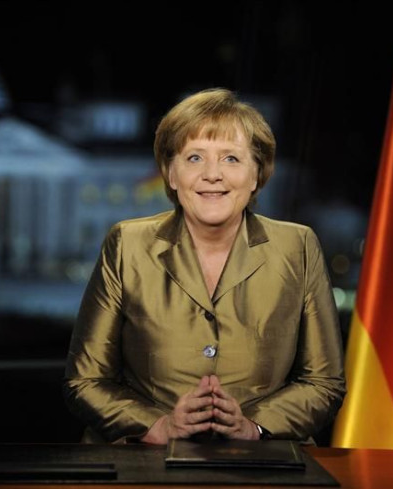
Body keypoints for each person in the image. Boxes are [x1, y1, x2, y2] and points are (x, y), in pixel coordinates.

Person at [63, 87, 346, 445]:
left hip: (264, 464)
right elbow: (85, 382)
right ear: (171, 174)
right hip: (145, 464)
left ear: (257, 174)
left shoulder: (297, 246)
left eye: (231, 158)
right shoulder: (127, 245)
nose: (212, 174)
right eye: (194, 158)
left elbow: (324, 383)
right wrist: (159, 426)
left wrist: (253, 426)